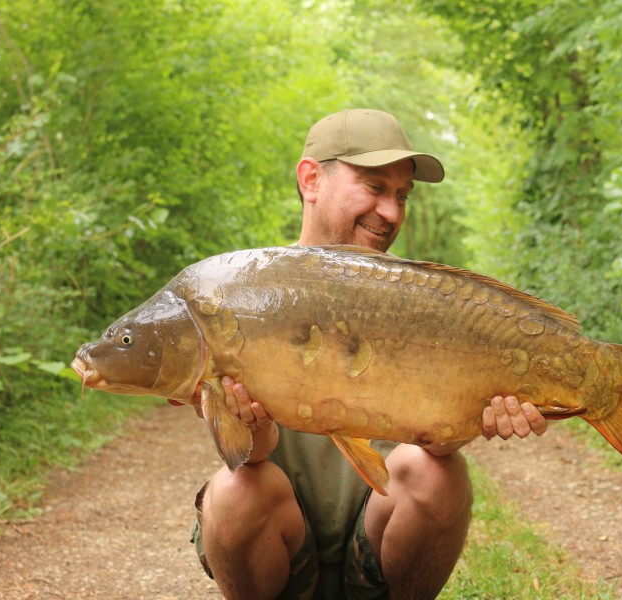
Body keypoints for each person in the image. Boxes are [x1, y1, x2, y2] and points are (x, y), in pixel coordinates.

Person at [184, 109, 547, 599]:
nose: (392, 212)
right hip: (284, 544)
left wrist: (474, 416)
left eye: (401, 196)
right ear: (311, 179)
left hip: (378, 537)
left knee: (439, 474)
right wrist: (250, 429)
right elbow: (254, 459)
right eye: (375, 187)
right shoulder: (247, 291)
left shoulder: (425, 298)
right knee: (233, 494)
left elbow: (433, 446)